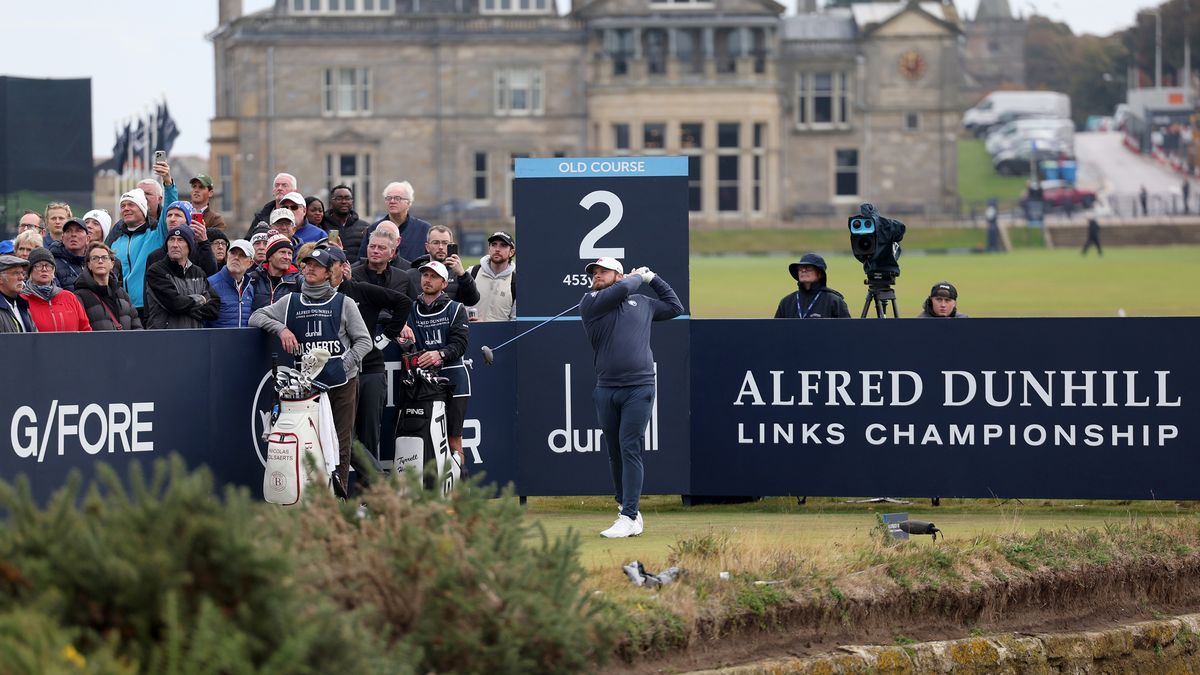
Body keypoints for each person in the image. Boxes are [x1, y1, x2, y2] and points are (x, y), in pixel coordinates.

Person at [249, 247, 373, 495]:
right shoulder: (291, 301)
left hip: (341, 384)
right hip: (305, 390)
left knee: (340, 444)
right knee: (308, 443)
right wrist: (281, 329)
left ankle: (338, 500)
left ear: (329, 273)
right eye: (306, 265)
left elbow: (364, 342)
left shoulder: (343, 302)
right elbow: (256, 316)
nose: (310, 269)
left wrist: (342, 366)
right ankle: (310, 498)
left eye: (316, 266)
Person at [580, 257, 683, 538]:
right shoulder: (590, 302)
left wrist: (653, 279)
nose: (597, 275)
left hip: (640, 386)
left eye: (604, 271)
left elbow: (675, 307)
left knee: (629, 448)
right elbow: (621, 291)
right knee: (615, 453)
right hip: (606, 388)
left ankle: (628, 515)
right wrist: (637, 277)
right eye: (594, 272)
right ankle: (628, 511)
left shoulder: (643, 304)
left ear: (618, 274)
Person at [327, 247, 413, 466]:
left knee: (368, 436)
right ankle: (374, 483)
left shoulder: (361, 290)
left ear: (345, 268)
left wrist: (386, 337)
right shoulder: (317, 297)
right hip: (339, 375)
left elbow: (403, 303)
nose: (326, 271)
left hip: (370, 370)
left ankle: (371, 496)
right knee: (341, 435)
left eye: (331, 266)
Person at [405, 260, 471, 474]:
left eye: (433, 277)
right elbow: (407, 343)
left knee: (453, 438)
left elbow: (460, 344)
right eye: (425, 275)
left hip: (454, 380)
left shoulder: (456, 308)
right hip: (423, 382)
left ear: (444, 283)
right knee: (426, 437)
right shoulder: (411, 309)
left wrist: (439, 354)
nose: (427, 280)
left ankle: (459, 492)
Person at [143, 225, 221, 330]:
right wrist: (201, 299)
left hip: (194, 338)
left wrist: (186, 307)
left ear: (189, 246)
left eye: (180, 240)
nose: (175, 245)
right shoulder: (156, 271)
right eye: (171, 240)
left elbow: (214, 309)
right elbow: (175, 304)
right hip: (163, 338)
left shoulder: (198, 272)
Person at [107, 186, 168, 316]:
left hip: (150, 307)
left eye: (131, 204)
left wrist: (168, 185)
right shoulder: (115, 241)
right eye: (123, 206)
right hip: (122, 309)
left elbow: (168, 210)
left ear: (142, 209)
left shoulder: (156, 234)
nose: (126, 208)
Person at [74, 242, 142, 331]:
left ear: (112, 264)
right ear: (89, 265)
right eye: (95, 258)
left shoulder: (122, 293)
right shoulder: (79, 296)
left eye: (104, 258)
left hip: (127, 344)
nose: (100, 261)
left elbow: (136, 325)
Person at [21, 247, 92, 332]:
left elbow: (85, 329)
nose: (44, 269)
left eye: (48, 265)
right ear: (30, 271)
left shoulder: (69, 297)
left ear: (54, 271)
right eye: (38, 265)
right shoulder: (22, 300)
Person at [359, 181, 430, 264]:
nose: (392, 201)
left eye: (397, 198)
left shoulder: (423, 229)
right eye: (388, 198)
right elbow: (362, 260)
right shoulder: (373, 229)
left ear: (408, 202)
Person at [406, 226, 479, 305]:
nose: (440, 247)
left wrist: (463, 275)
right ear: (427, 247)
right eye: (436, 242)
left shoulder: (458, 275)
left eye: (445, 243)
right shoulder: (411, 274)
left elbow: (471, 301)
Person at [145, 201, 219, 277]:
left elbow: (212, 276)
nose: (172, 219)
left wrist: (204, 242)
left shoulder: (200, 251)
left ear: (189, 221)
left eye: (178, 215)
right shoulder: (154, 256)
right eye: (169, 215)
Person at [773, 253, 850, 319]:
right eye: (800, 268)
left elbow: (846, 331)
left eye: (808, 268)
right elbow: (776, 330)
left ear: (820, 274)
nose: (803, 270)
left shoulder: (834, 301)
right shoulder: (786, 302)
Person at [352, 227, 414, 299]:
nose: (375, 251)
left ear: (392, 252)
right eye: (372, 246)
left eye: (381, 248)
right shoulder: (353, 275)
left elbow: (412, 306)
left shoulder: (402, 278)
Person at [207, 239, 256, 328]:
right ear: (227, 256)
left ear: (250, 263)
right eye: (233, 253)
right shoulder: (210, 284)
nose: (236, 258)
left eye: (242, 255)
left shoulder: (250, 288)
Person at [469, 231, 516, 321]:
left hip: (500, 335)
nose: (497, 249)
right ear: (489, 249)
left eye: (503, 245)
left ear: (511, 252)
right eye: (494, 245)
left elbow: (514, 321)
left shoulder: (515, 282)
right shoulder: (471, 272)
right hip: (469, 333)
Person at [250, 233, 301, 310]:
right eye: (282, 252)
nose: (287, 257)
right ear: (270, 257)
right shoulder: (253, 279)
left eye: (289, 253)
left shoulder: (298, 280)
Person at [323, 184, 371, 262]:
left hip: (356, 272)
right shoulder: (321, 225)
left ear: (352, 201)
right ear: (331, 201)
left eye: (348, 198)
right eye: (339, 198)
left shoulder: (365, 227)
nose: (344, 202)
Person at [49, 217, 90, 291]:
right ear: (62, 238)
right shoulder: (52, 264)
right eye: (68, 231)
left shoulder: (93, 262)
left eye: (78, 231)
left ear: (87, 239)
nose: (73, 235)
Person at [0, 255, 36, 333]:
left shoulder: (22, 306)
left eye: (22, 273)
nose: (21, 278)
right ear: (0, 279)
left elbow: (34, 340)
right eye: (16, 273)